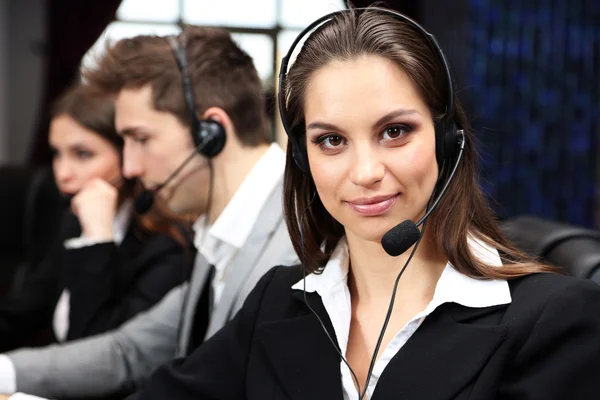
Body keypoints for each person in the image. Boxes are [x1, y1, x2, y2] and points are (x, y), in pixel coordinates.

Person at [115, 7, 600, 400]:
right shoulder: (279, 302)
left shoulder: (555, 320)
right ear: (302, 157)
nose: (365, 172)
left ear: (447, 140)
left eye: (395, 131)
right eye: (331, 140)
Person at [0, 26, 298, 400]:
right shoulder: (219, 233)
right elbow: (129, 351)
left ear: (212, 133)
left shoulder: (298, 241)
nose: (129, 168)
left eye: (141, 139)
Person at [0, 83, 190, 353]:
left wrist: (97, 240)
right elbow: (24, 310)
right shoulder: (73, 221)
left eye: (82, 154)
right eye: (57, 153)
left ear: (127, 154)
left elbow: (100, 355)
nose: (62, 173)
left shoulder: (166, 245)